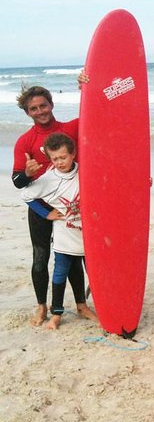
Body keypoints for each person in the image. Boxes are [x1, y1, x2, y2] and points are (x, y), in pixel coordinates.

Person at [12, 85, 86, 326]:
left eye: (43, 105)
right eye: (33, 108)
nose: (40, 111)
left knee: (73, 256)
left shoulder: (71, 128)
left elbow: (101, 114)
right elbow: (17, 182)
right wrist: (26, 173)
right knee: (40, 258)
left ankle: (81, 305)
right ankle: (42, 306)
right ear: (27, 113)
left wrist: (86, 84)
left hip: (72, 207)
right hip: (42, 208)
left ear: (51, 104)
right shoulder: (26, 141)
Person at [20, 133, 97, 330]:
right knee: (60, 273)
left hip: (87, 235)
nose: (59, 162)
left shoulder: (87, 170)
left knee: (94, 272)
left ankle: (86, 307)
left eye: (63, 157)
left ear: (73, 154)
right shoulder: (48, 179)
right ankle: (56, 314)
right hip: (64, 236)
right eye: (55, 159)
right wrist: (46, 214)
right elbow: (26, 195)